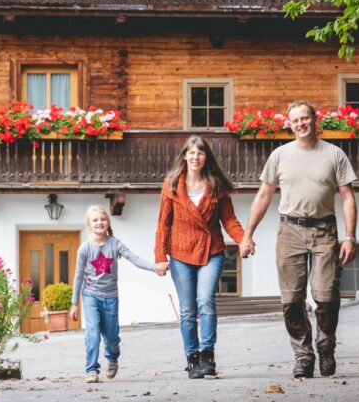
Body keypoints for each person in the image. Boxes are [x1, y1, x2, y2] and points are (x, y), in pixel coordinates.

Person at [239, 100, 358, 379]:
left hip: (324, 231)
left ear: (315, 120)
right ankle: (303, 356)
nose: (301, 124)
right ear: (289, 124)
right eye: (295, 120)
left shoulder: (334, 154)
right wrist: (247, 235)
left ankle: (326, 347)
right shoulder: (279, 155)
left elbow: (348, 198)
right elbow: (264, 196)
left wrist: (350, 237)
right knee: (291, 301)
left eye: (305, 118)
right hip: (289, 231)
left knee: (325, 297)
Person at [154, 135, 245, 379]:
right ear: (185, 156)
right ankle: (192, 358)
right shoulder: (172, 184)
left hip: (211, 250)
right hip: (180, 253)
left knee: (205, 301)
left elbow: (229, 220)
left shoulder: (216, 186)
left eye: (200, 153)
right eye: (191, 153)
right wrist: (160, 256)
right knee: (186, 310)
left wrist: (243, 239)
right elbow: (163, 224)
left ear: (206, 157)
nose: (195, 157)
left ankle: (208, 355)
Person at [70, 205, 167, 383]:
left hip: (110, 297)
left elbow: (134, 258)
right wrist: (75, 303)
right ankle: (91, 369)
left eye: (103, 219)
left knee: (112, 337)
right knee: (92, 333)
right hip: (90, 296)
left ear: (108, 223)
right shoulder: (84, 249)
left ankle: (112, 358)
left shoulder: (115, 244)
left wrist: (155, 268)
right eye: (95, 220)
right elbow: (78, 276)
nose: (99, 222)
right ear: (89, 225)